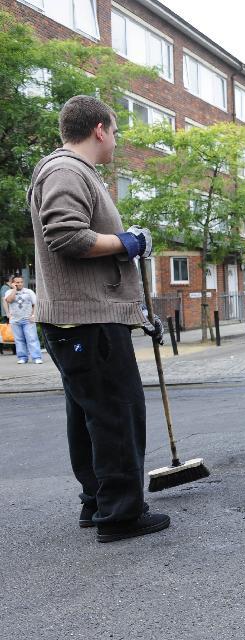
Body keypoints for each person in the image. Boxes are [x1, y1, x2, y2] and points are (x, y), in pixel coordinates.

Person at [28, 95, 168, 543]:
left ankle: (98, 503)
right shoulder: (67, 170)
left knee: (91, 414)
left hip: (80, 318)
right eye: (115, 131)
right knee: (116, 414)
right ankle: (121, 515)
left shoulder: (68, 170)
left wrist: (136, 308)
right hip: (86, 320)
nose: (116, 140)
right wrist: (126, 242)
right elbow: (65, 235)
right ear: (100, 130)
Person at [4, 275, 43, 364]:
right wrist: (14, 289)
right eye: (17, 282)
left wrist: (33, 315)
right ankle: (22, 357)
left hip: (28, 319)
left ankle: (36, 357)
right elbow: (9, 300)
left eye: (21, 282)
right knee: (19, 339)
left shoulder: (29, 291)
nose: (20, 284)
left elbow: (35, 304)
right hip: (15, 320)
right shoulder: (8, 292)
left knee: (32, 338)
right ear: (13, 283)